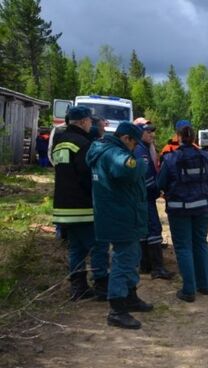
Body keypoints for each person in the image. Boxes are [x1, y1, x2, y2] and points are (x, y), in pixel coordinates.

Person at [87, 122, 153, 330]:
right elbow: (132, 170)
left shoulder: (104, 150)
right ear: (127, 138)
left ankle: (130, 297)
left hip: (120, 215)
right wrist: (141, 163)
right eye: (134, 145)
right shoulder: (114, 154)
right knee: (123, 260)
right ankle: (117, 310)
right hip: (121, 216)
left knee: (131, 257)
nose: (133, 150)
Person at [51, 106, 109, 301]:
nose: (91, 124)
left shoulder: (60, 142)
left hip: (63, 207)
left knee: (76, 248)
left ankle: (78, 288)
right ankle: (102, 286)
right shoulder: (83, 144)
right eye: (89, 121)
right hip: (83, 207)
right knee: (98, 246)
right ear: (83, 122)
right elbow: (88, 176)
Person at [157, 122, 208, 302]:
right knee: (200, 244)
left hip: (179, 209)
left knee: (183, 247)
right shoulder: (205, 156)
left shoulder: (171, 158)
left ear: (178, 137)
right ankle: (204, 285)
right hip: (203, 207)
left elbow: (160, 184)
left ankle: (189, 290)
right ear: (195, 138)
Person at [133, 118, 175, 280]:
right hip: (145, 198)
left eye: (152, 131)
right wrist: (160, 189)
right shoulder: (140, 151)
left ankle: (145, 265)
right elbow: (147, 178)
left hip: (144, 198)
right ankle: (157, 268)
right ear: (138, 133)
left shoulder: (143, 148)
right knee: (154, 230)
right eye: (148, 131)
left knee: (145, 231)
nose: (152, 134)